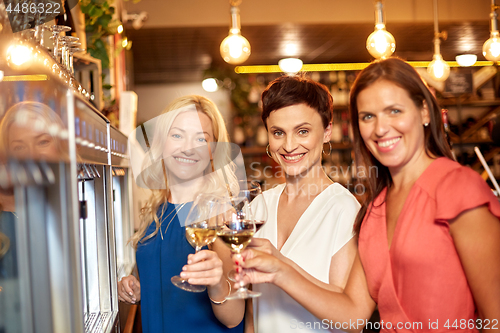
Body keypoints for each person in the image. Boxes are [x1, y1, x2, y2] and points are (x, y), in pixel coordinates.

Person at [238, 58, 500, 332]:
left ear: (425, 112)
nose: (380, 128)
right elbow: (353, 315)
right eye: (368, 116)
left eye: (394, 111)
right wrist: (277, 267)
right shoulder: (376, 208)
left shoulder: (459, 189)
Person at [117, 95, 245, 332]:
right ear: (162, 142)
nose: (188, 147)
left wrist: (217, 282)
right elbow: (162, 278)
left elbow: (234, 317)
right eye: (177, 135)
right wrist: (133, 285)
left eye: (201, 138)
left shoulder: (220, 213)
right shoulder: (156, 209)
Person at [247, 75, 360, 332]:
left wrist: (282, 268)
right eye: (278, 133)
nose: (288, 145)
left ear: (327, 131)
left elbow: (350, 320)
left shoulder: (344, 210)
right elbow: (253, 309)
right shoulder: (258, 207)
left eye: (303, 131)